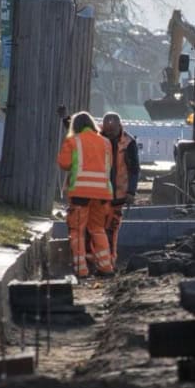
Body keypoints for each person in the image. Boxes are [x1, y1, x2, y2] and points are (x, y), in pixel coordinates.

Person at [57, 112, 115, 278]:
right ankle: (106, 268)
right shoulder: (106, 142)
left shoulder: (73, 141)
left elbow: (64, 163)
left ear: (75, 126)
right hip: (103, 193)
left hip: (81, 194)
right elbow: (108, 165)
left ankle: (81, 270)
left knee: (77, 231)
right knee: (98, 229)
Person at [101, 112, 141, 265]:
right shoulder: (97, 139)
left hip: (118, 195)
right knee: (98, 229)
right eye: (107, 129)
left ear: (119, 126)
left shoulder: (128, 143)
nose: (109, 133)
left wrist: (131, 191)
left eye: (112, 130)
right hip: (99, 194)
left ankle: (109, 261)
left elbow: (134, 169)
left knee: (111, 229)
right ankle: (102, 261)